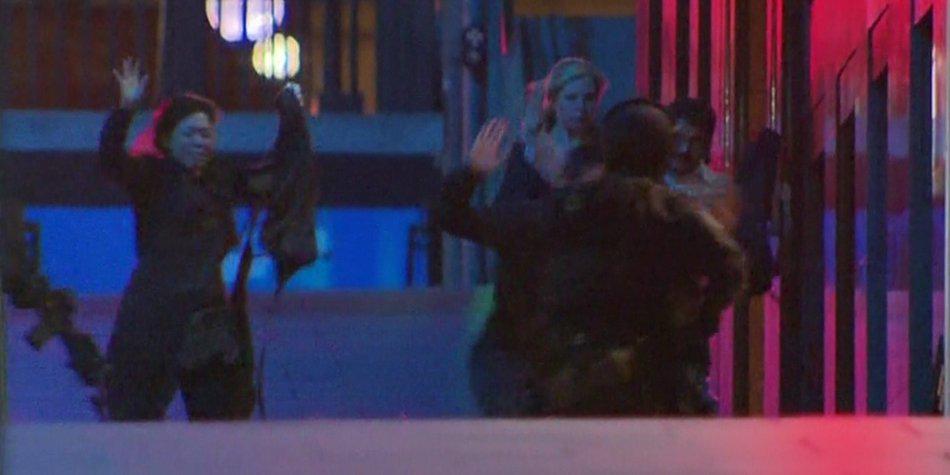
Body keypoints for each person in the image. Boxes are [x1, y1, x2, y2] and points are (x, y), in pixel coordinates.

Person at [438, 99, 744, 415]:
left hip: (570, 378)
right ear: (663, 155)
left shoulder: (563, 210)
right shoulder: (672, 215)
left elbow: (453, 216)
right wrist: (695, 324)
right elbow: (730, 266)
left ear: (606, 151)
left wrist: (472, 172)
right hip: (649, 384)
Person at [98, 59, 313, 420]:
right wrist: (126, 109)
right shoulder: (150, 176)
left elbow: (277, 175)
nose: (200, 142)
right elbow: (110, 160)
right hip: (153, 314)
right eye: (190, 134)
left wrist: (291, 116)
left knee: (221, 420)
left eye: (206, 134)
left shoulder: (220, 178)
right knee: (133, 416)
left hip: (208, 317)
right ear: (167, 138)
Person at [458, 58, 607, 416]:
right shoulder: (529, 153)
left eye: (588, 99)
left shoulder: (602, 154)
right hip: (532, 276)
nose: (580, 108)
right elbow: (505, 212)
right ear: (554, 102)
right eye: (571, 98)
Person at [664, 98, 740, 232]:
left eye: (695, 141)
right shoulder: (649, 182)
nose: (684, 149)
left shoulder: (722, 187)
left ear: (707, 144)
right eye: (678, 138)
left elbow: (724, 236)